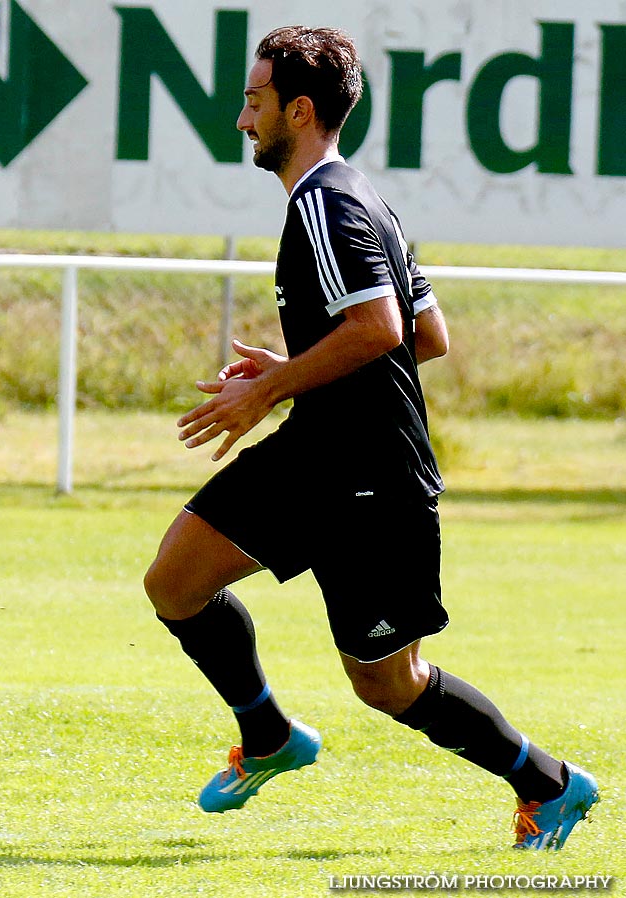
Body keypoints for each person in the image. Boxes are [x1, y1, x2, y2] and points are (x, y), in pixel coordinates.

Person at [142, 26, 599, 849]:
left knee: (388, 684)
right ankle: (271, 734)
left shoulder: (328, 202)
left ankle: (549, 784)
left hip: (374, 479)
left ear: (299, 109)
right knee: (175, 580)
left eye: (254, 102)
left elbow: (384, 327)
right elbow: (428, 335)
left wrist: (267, 390)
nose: (243, 121)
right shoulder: (358, 199)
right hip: (315, 455)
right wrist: (291, 367)